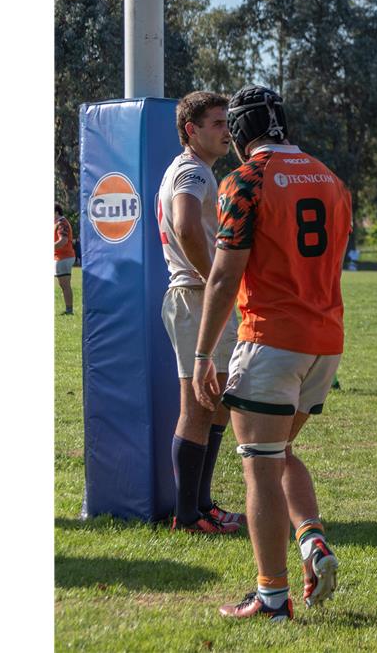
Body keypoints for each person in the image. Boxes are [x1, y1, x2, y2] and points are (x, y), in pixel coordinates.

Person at [193, 86, 353, 621]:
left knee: (258, 468)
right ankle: (311, 540)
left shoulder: (245, 179)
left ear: (240, 133)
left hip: (270, 338)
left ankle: (271, 597)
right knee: (279, 451)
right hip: (325, 341)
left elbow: (224, 275)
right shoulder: (331, 179)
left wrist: (201, 356)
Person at [157, 90, 243, 534]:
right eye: (216, 123)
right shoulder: (191, 170)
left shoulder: (197, 169)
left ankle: (201, 506)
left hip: (196, 295)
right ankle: (187, 516)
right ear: (191, 131)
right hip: (194, 295)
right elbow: (187, 224)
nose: (227, 130)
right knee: (196, 405)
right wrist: (215, 279)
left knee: (214, 403)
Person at [55, 205, 76, 315]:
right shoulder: (58, 223)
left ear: (56, 212)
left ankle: (69, 310)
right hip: (61, 257)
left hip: (64, 257)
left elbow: (63, 240)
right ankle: (68, 309)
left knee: (65, 285)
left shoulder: (61, 223)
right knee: (63, 285)